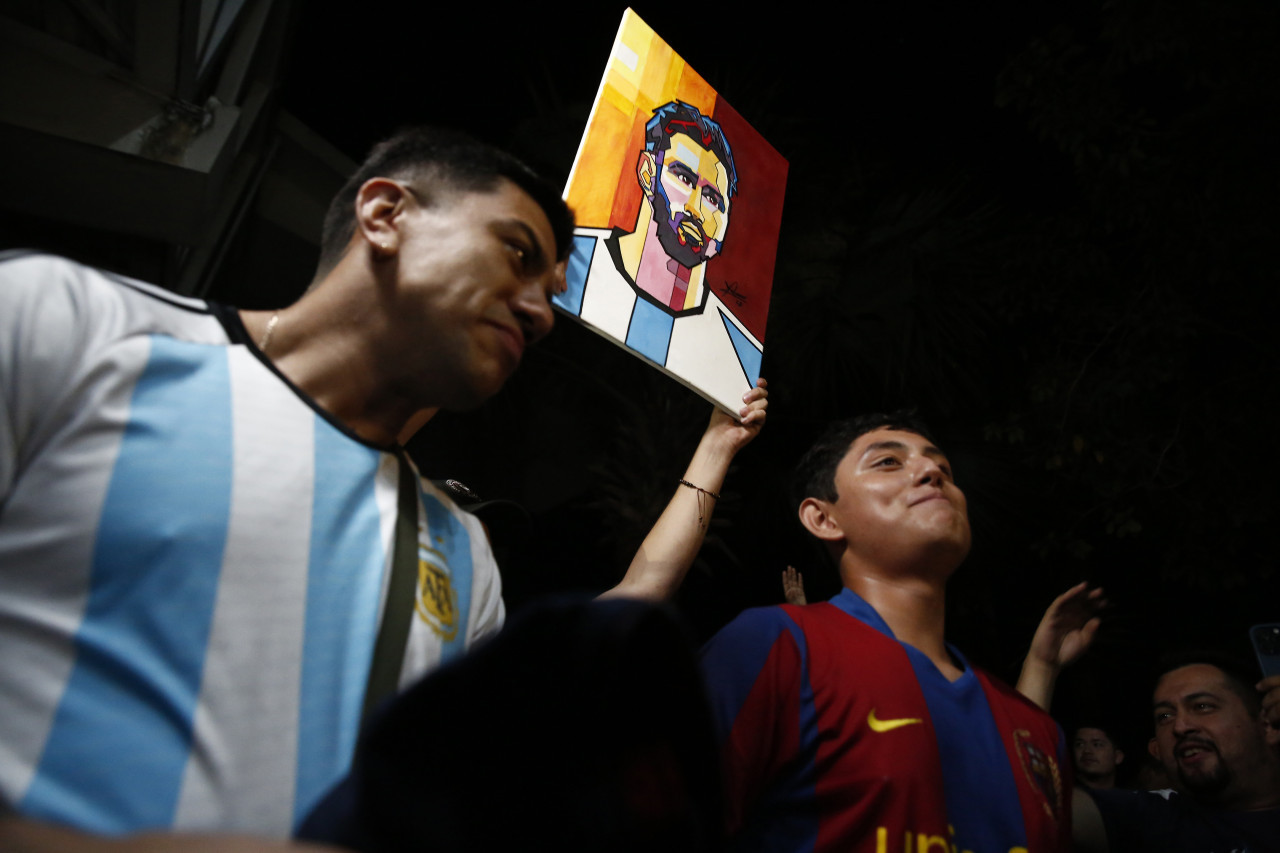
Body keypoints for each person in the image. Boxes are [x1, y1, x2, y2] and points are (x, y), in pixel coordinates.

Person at [0, 127, 766, 849]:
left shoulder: (460, 553)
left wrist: (717, 445)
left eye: (551, 288)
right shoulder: (73, 328)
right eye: (517, 252)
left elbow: (613, 619)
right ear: (385, 212)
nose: (539, 312)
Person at [700, 412, 1070, 853]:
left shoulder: (1036, 731)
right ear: (823, 518)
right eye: (888, 462)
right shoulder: (774, 648)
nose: (932, 472)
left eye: (944, 469)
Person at [553, 100, 762, 405]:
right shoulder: (568, 261)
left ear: (726, 224)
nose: (696, 209)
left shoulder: (736, 358)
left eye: (713, 199)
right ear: (648, 172)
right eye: (684, 178)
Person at [1073, 653, 1280, 852]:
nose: (1179, 726)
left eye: (1202, 706)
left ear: (1267, 726)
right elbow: (1048, 812)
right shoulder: (1149, 818)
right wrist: (1042, 668)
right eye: (1164, 716)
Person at [1072, 726, 1125, 790]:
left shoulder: (1131, 798)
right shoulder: (1062, 797)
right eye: (1079, 744)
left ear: (1117, 757)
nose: (1087, 751)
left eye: (1097, 745)